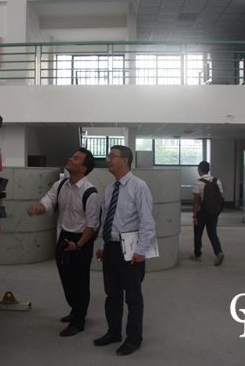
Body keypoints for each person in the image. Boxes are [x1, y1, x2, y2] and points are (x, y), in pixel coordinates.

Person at [27, 148, 100, 337]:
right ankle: (75, 309)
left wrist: (79, 245)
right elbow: (48, 202)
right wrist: (38, 209)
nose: (70, 159)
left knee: (79, 282)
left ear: (83, 168)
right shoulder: (60, 185)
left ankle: (78, 321)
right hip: (64, 236)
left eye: (75, 158)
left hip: (81, 241)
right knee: (66, 278)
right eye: (72, 156)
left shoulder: (90, 193)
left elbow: (92, 225)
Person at [93, 145, 156, 356]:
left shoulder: (139, 186)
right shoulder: (111, 188)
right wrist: (102, 245)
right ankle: (113, 332)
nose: (108, 160)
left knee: (133, 297)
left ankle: (134, 339)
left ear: (125, 161)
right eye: (109, 156)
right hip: (111, 248)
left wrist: (141, 250)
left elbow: (147, 222)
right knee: (112, 294)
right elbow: (107, 220)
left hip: (130, 250)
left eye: (112, 156)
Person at [190, 160, 225, 266]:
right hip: (214, 212)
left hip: (202, 212)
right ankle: (219, 252)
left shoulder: (199, 182)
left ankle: (197, 255)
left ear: (199, 170)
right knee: (213, 233)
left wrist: (195, 216)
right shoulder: (217, 181)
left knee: (198, 234)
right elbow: (220, 196)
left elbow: (196, 200)